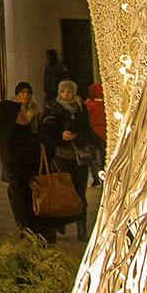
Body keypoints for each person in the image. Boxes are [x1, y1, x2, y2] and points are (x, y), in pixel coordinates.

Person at [0, 81, 48, 240]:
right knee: (31, 230)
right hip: (26, 194)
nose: (24, 117)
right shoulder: (15, 140)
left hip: (25, 192)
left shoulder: (21, 135)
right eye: (20, 115)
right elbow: (27, 160)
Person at [41, 79, 95, 239]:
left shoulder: (81, 107)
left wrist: (78, 135)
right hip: (60, 156)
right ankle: (60, 222)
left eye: (69, 91)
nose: (66, 94)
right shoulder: (52, 107)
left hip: (78, 156)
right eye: (63, 91)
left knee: (80, 193)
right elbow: (47, 129)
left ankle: (82, 228)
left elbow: (87, 128)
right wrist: (60, 136)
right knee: (62, 190)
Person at [85, 82, 108, 185]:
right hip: (103, 134)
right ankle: (104, 177)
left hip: (91, 133)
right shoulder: (105, 105)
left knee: (93, 158)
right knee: (104, 158)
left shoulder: (88, 105)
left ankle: (95, 178)